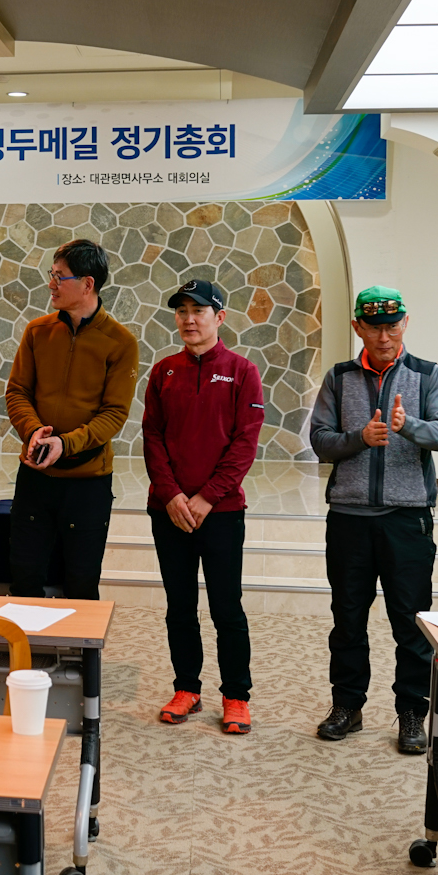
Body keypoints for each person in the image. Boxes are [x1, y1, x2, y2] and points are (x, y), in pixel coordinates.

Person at [308, 286, 438, 755]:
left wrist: (406, 426)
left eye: (392, 326)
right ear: (358, 328)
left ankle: (412, 712)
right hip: (349, 519)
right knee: (347, 620)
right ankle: (347, 706)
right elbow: (319, 440)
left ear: (405, 323)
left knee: (411, 625)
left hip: (406, 520)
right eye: (374, 328)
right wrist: (359, 437)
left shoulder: (427, 375)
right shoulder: (339, 377)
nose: (384, 336)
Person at [143, 280, 265, 734]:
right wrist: (172, 495)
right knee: (179, 606)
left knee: (226, 607)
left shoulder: (242, 371)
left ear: (220, 317)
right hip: (169, 510)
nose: (189, 319)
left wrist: (207, 496)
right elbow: (152, 437)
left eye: (198, 311)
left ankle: (236, 696)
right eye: (182, 311)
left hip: (222, 512)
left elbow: (244, 443)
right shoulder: (163, 372)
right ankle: (186, 688)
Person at [4, 239, 139, 603]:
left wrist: (65, 444)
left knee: (80, 584)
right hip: (35, 475)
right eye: (52, 274)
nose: (51, 283)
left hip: (88, 482)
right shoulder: (37, 331)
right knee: (25, 578)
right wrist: (34, 431)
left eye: (59, 276)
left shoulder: (120, 342)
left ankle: (80, 645)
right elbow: (17, 392)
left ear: (87, 284)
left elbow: (115, 413)